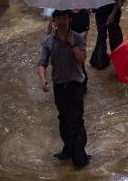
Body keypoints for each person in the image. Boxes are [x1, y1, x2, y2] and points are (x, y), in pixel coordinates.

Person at [37, 9, 90, 168]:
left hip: (76, 85)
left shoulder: (78, 38)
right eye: (59, 18)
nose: (62, 21)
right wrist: (43, 80)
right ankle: (68, 149)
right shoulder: (48, 42)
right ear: (54, 20)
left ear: (70, 19)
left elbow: (82, 59)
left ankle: (80, 156)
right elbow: (42, 63)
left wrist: (72, 44)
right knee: (63, 120)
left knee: (76, 120)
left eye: (65, 18)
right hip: (59, 86)